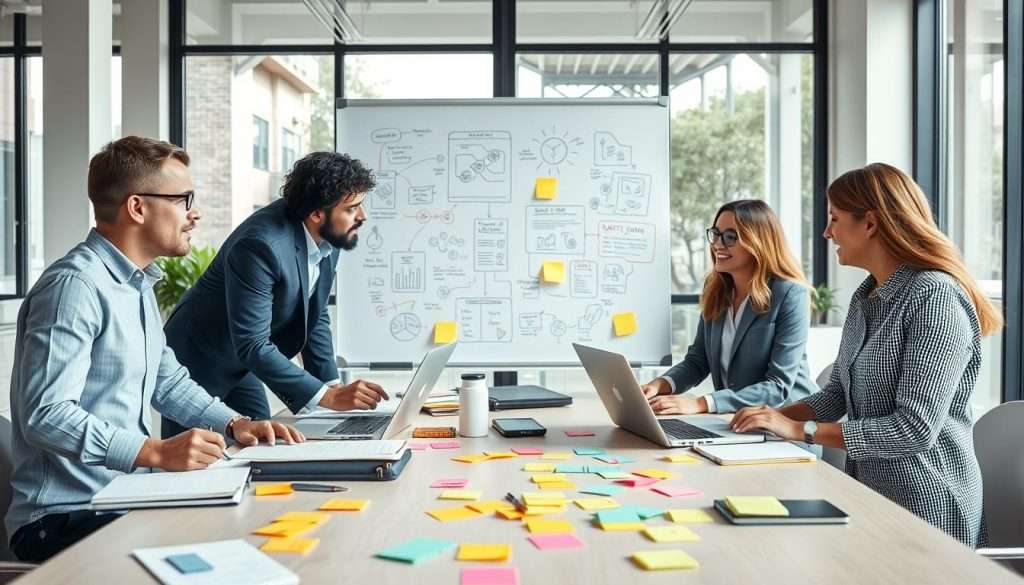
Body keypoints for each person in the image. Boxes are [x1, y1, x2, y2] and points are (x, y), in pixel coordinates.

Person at [6, 137, 304, 563]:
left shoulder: (137, 284)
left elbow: (168, 381)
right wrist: (155, 452)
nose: (194, 213)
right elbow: (46, 415)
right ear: (137, 208)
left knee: (261, 526)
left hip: (123, 499)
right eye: (184, 199)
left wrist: (235, 423)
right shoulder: (75, 288)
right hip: (62, 519)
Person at [730, 163, 1001, 548]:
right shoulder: (866, 296)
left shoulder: (935, 298)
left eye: (835, 219)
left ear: (870, 223)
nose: (827, 232)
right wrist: (760, 419)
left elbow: (914, 429)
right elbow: (836, 394)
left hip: (927, 503)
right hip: (868, 492)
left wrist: (798, 430)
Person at [161, 151, 388, 438]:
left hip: (242, 362)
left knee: (266, 440)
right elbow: (253, 344)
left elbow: (313, 315)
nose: (362, 216)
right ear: (317, 213)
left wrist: (331, 385)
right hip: (199, 361)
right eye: (352, 208)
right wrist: (328, 398)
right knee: (197, 466)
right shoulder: (261, 246)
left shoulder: (329, 235)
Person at [642, 199, 817, 414]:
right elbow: (698, 361)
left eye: (730, 237)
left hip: (788, 426)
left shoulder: (790, 293)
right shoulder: (715, 288)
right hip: (735, 422)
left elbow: (778, 386)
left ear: (758, 243)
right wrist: (661, 385)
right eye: (715, 234)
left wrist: (701, 403)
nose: (717, 244)